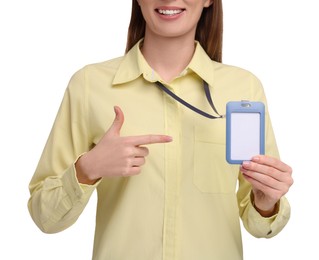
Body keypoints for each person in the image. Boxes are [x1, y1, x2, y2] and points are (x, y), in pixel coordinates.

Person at [28, 0, 293, 259]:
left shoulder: (243, 87)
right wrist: (87, 169)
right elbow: (45, 218)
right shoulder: (89, 85)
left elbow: (261, 226)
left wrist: (266, 203)